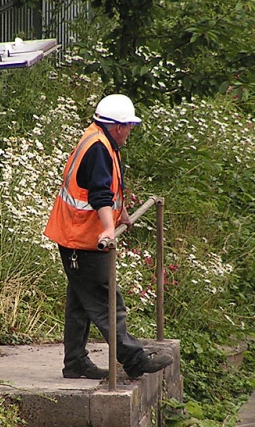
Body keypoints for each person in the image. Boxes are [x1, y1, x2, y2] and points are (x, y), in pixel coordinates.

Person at [44, 94, 173, 379]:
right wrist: (107, 228)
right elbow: (99, 193)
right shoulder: (99, 148)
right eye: (129, 127)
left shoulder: (99, 139)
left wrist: (121, 212)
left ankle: (75, 362)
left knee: (80, 302)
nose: (130, 132)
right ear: (118, 126)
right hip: (82, 239)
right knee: (106, 300)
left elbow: (108, 187)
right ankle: (134, 359)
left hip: (76, 236)